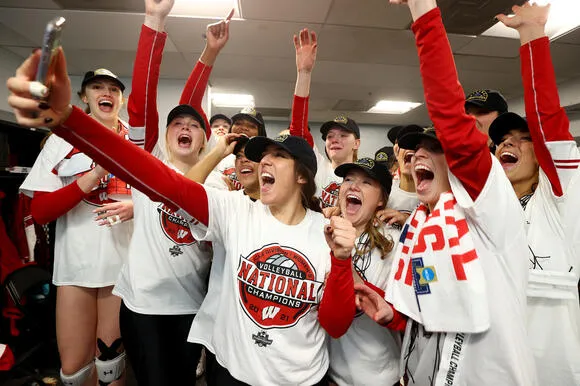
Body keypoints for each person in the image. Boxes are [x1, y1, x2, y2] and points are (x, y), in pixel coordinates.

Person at [7, 47, 364, 385]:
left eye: (278, 157)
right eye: (262, 155)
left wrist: (343, 261)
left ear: (303, 175)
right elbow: (160, 181)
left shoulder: (327, 231)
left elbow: (334, 325)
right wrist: (69, 120)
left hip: (301, 377)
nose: (264, 161)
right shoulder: (235, 209)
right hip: (229, 370)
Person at [354, 0, 537, 384]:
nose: (420, 153)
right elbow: (431, 306)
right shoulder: (421, 225)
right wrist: (395, 315)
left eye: (436, 149)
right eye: (417, 148)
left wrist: (423, 12)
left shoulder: (489, 207)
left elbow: (451, 120)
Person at [111, 1, 231, 384]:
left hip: (190, 303)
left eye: (193, 126)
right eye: (176, 123)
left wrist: (210, 54)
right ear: (163, 137)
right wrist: (154, 21)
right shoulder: (150, 166)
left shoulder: (215, 184)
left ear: (204, 140)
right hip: (143, 301)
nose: (184, 126)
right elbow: (141, 101)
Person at [18, 66, 133, 384]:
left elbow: (159, 199)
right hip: (75, 266)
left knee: (110, 365)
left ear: (121, 99)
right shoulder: (63, 139)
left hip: (122, 266)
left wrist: (135, 206)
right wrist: (92, 177)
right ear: (85, 96)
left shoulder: (136, 139)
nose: (106, 93)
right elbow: (40, 211)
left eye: (114, 88)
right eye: (97, 87)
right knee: (74, 368)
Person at [489, 3, 580, 384]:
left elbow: (547, 121)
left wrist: (531, 36)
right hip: (493, 364)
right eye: (501, 141)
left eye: (520, 141)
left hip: (552, 368)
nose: (507, 145)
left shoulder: (559, 198)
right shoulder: (487, 208)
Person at [327, 157, 405, 386]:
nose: (353, 186)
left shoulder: (394, 242)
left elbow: (404, 311)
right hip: (330, 371)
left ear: (382, 199)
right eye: (348, 179)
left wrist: (346, 267)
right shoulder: (323, 231)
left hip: (379, 375)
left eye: (366, 182)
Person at [288, 29, 360, 208]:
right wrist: (304, 73)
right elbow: (298, 131)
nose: (335, 140)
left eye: (343, 135)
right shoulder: (318, 167)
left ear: (356, 143)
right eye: (330, 136)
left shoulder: (366, 177)